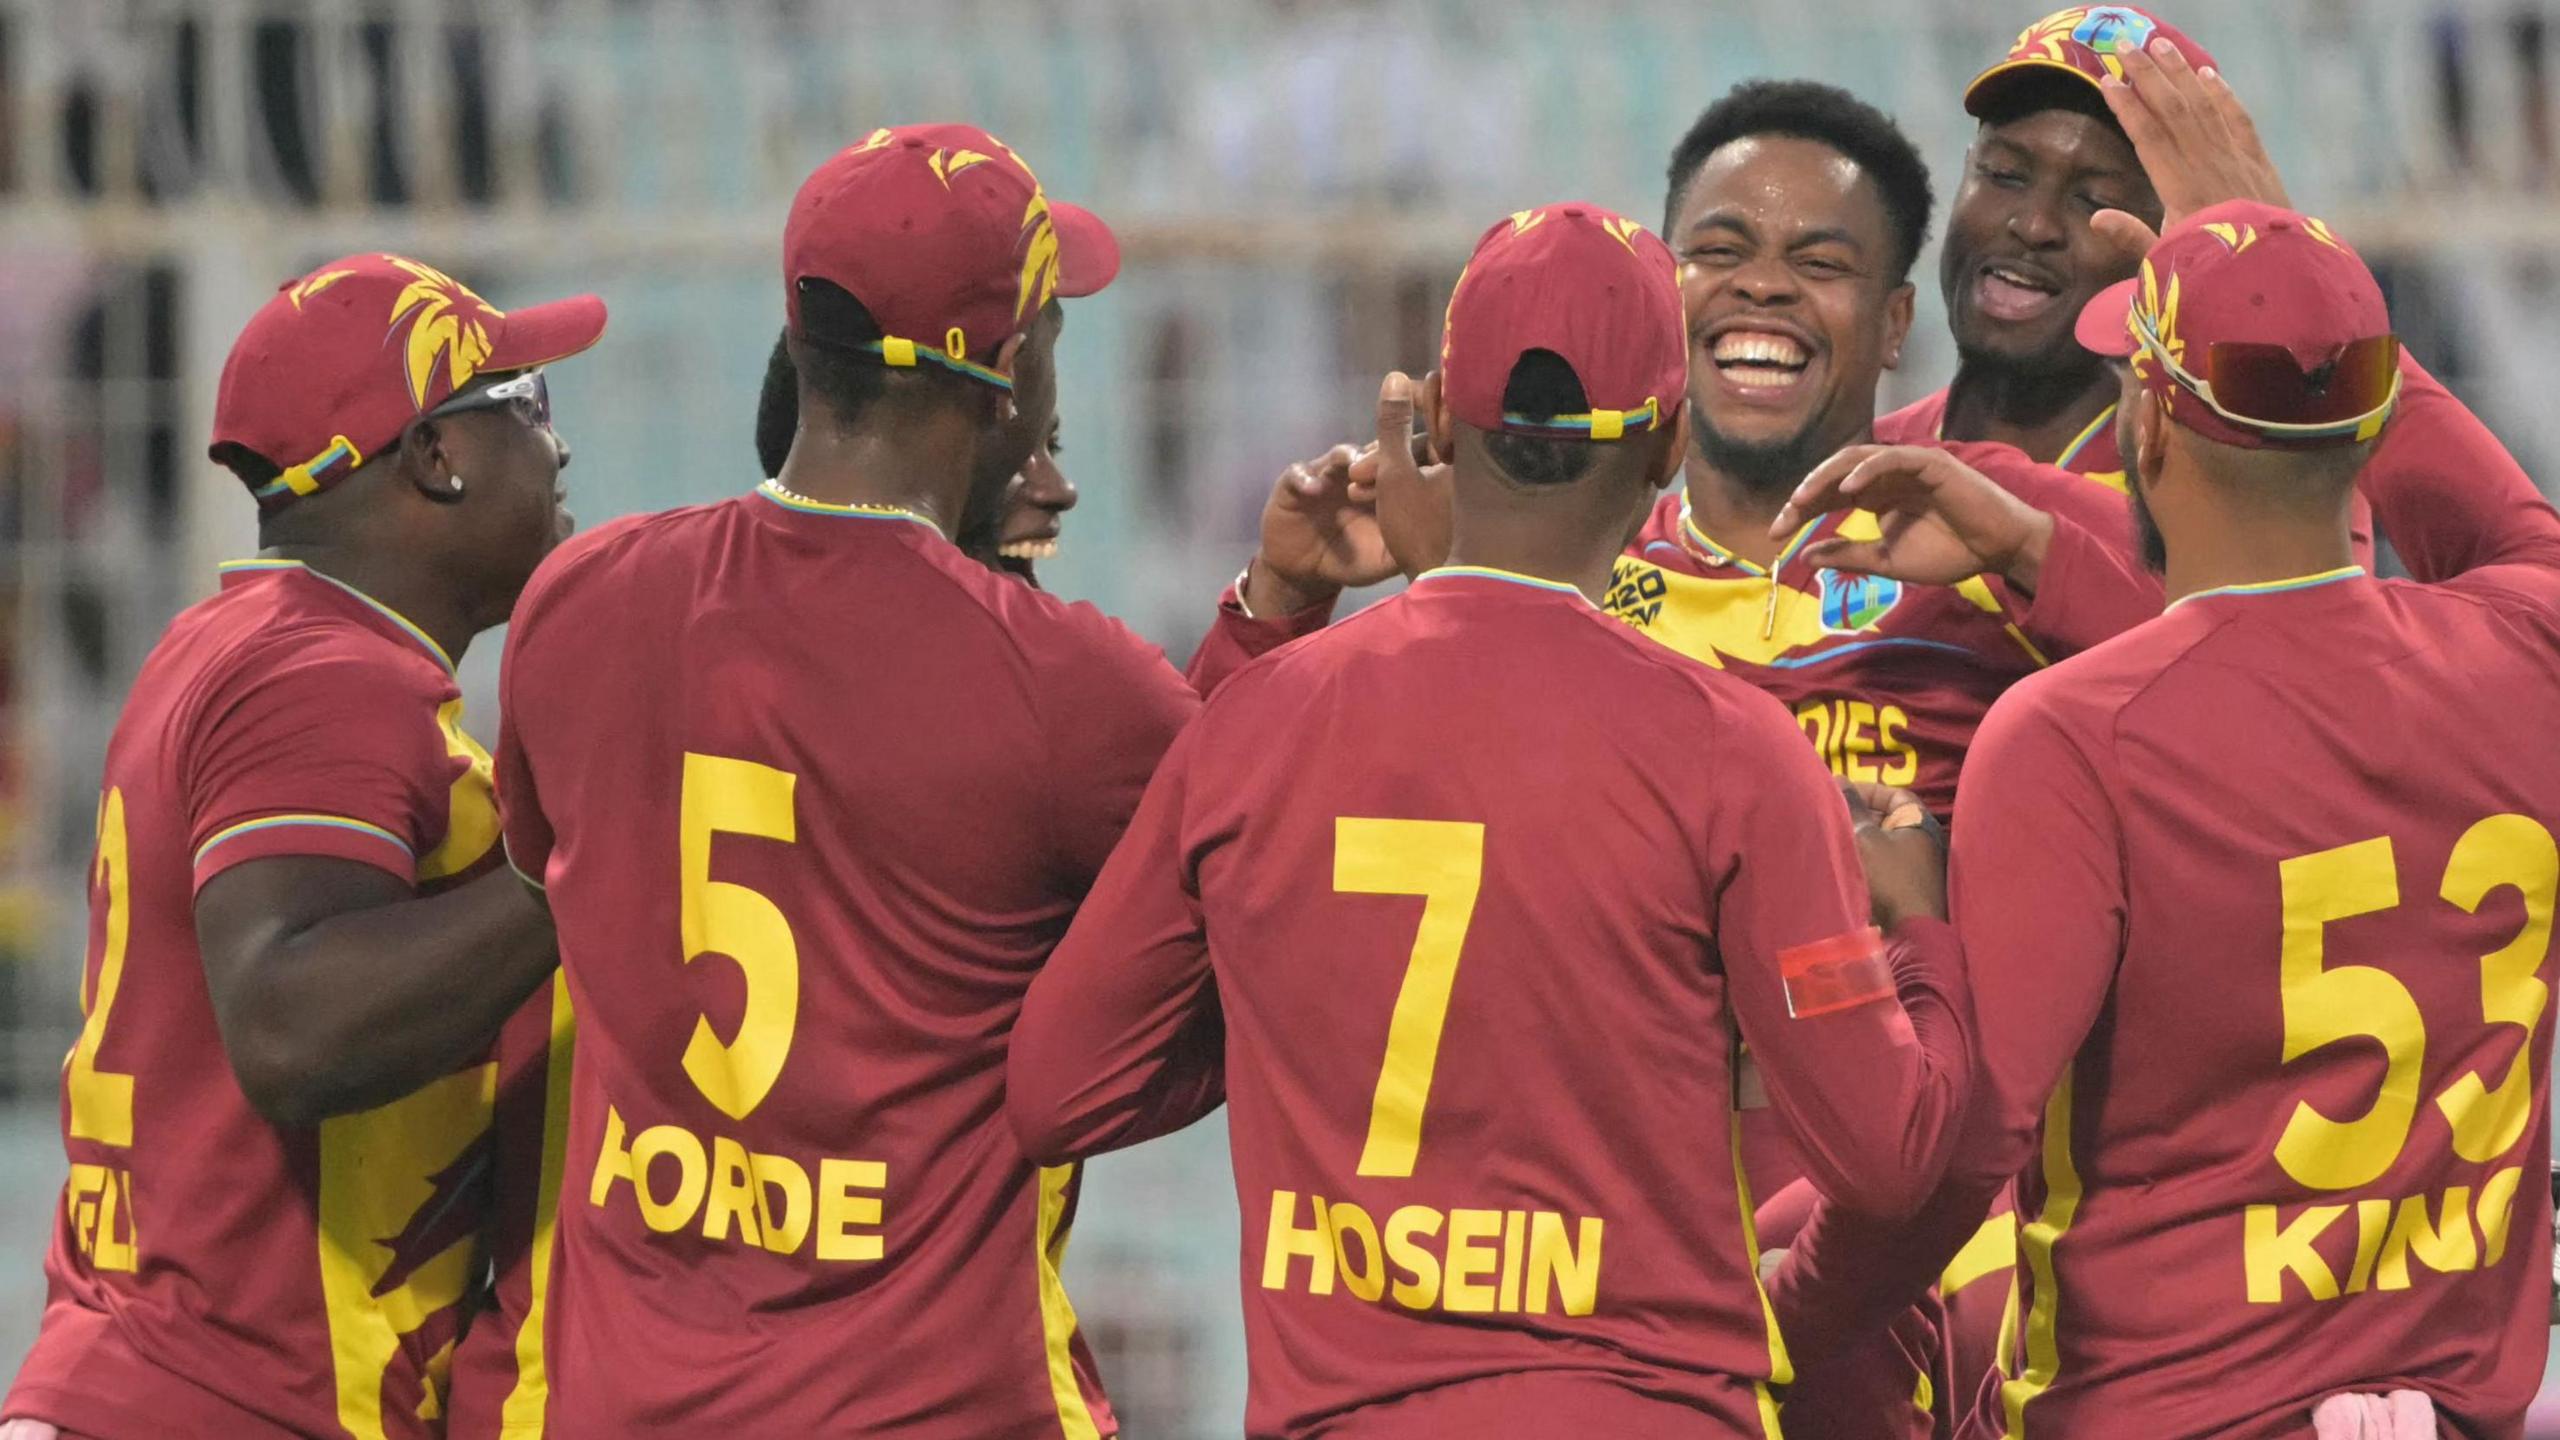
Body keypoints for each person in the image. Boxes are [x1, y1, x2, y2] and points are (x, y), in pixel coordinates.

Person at [1008, 202, 1974, 1440]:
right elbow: (1891, 1157)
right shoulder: (1733, 753)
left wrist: (1265, 1022)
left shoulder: (1258, 722)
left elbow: (1055, 1090)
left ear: (1436, 427)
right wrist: (1918, 927)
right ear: (1668, 441)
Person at [1772, 199, 2560, 1439]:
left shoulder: (2071, 737)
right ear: (2371, 431)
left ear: (2141, 418)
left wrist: (1917, 922)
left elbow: (1956, 1155)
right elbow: (2508, 529)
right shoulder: (2526, 651)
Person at [494, 124, 1187, 1437]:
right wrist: (1274, 616)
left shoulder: (580, 601)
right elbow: (1289, 864)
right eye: (1049, 336)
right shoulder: (1066, 686)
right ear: (1003, 370)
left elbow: (556, 891)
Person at [1, 253, 601, 1439]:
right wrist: (565, 870)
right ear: (437, 458)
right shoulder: (324, 677)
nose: (561, 447)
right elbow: (290, 1025)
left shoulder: (248, 644)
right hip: (217, 1400)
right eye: (525, 407)